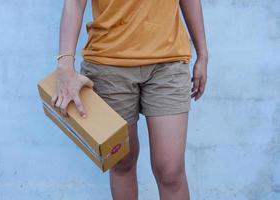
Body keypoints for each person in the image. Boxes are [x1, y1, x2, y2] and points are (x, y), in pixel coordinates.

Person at [51, 0, 208, 199]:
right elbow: (74, 3)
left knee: (171, 171)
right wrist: (65, 65)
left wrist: (203, 54)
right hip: (108, 64)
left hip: (168, 63)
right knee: (121, 162)